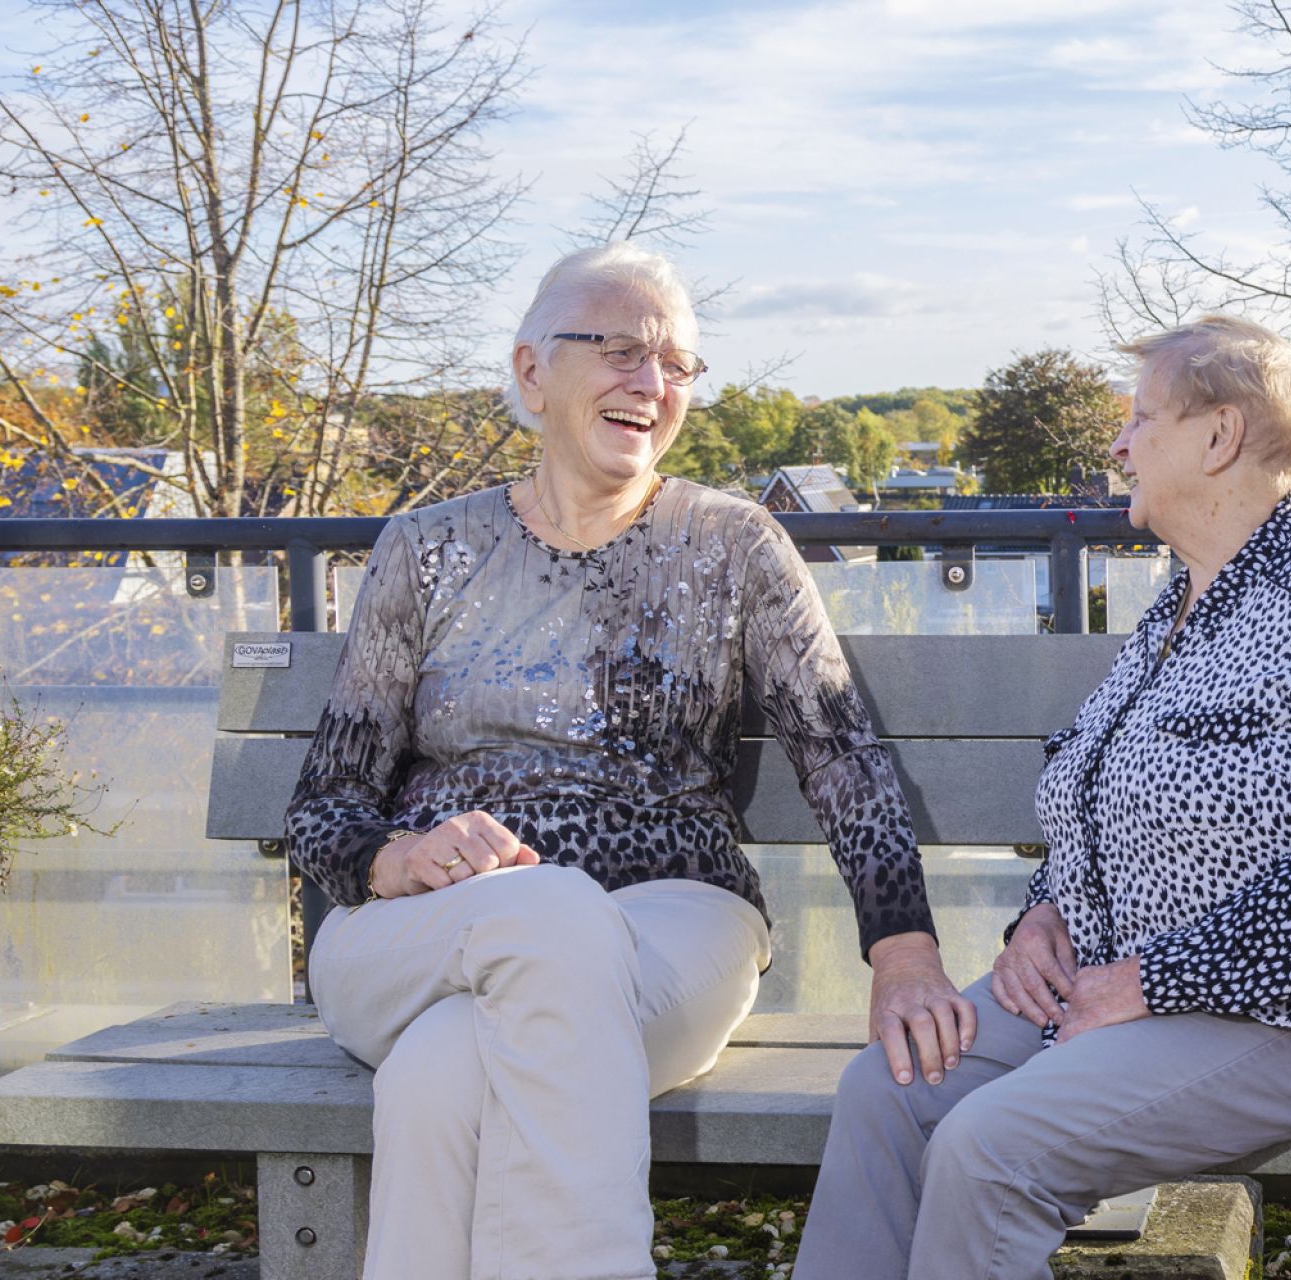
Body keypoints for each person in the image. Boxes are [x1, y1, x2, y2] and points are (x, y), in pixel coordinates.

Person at [284, 241, 970, 1280]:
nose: (652, 382)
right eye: (619, 350)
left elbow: (840, 754)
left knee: (442, 1070)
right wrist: (400, 858)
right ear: (531, 372)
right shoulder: (425, 549)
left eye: (677, 362)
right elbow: (325, 803)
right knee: (544, 914)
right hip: (426, 927)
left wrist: (904, 950)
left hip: (670, 916)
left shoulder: (733, 544)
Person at [794, 315, 1291, 1280]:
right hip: (1127, 984)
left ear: (1220, 436)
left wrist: (1149, 982)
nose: (1118, 447)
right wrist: (1043, 918)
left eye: (1141, 419)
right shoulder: (1178, 602)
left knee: (993, 1148)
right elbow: (1102, 802)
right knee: (888, 1090)